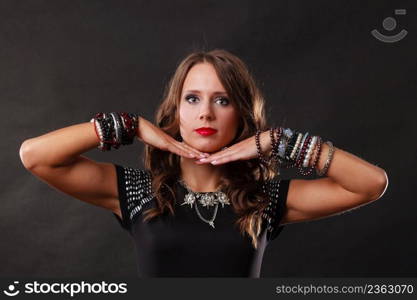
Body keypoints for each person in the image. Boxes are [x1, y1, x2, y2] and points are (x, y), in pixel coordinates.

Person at [19, 49, 389, 278]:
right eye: (192, 99)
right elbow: (36, 156)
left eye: (222, 101)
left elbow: (370, 184)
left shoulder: (264, 198)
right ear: (176, 111)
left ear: (241, 116)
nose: (206, 114)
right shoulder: (137, 191)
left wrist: (282, 142)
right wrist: (130, 126)